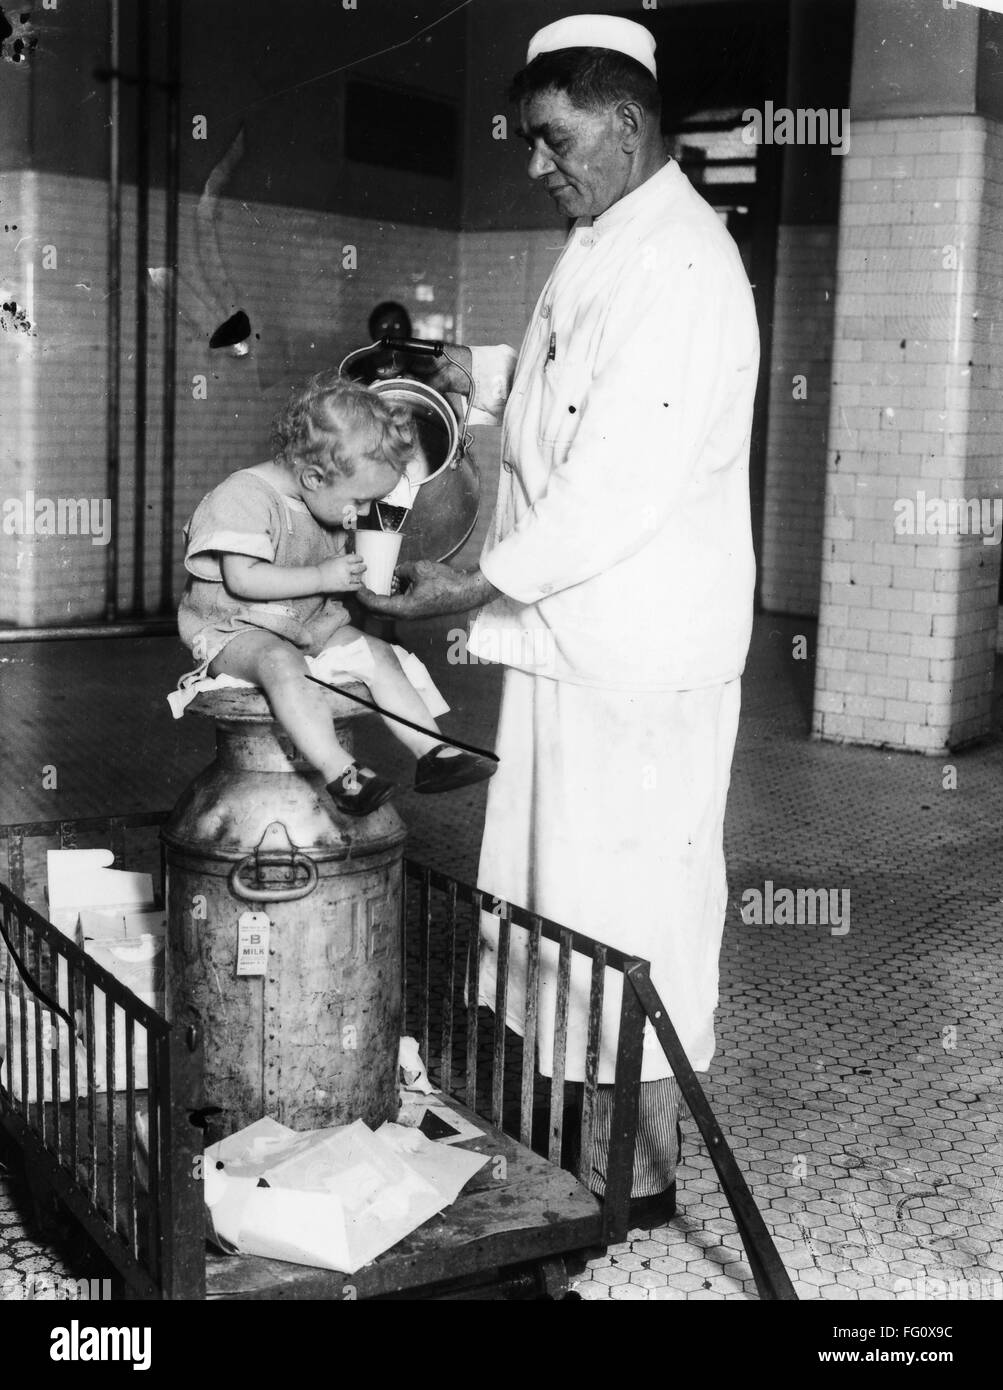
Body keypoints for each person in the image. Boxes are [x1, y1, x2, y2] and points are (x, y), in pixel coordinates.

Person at [361, 13, 758, 1217]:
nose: (536, 164)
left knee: (632, 921)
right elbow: (554, 413)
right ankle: (578, 1153)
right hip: (571, 651)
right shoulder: (601, 238)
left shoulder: (683, 260)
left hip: (638, 657)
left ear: (626, 122)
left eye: (554, 139)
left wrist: (469, 584)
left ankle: (634, 1179)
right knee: (560, 913)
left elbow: (615, 486)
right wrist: (480, 387)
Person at [177, 371, 496, 817]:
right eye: (361, 501)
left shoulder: (324, 500)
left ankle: (434, 752)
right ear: (312, 477)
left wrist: (373, 582)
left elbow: (333, 573)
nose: (365, 513)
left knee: (377, 654)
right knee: (279, 663)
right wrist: (326, 577)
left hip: (303, 622)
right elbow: (243, 581)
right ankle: (340, 773)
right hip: (236, 628)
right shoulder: (243, 496)